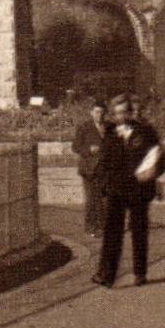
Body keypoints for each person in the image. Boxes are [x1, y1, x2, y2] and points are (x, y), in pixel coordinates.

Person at [92, 93, 164, 288]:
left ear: (131, 112)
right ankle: (107, 274)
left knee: (139, 231)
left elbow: (161, 157)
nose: (121, 117)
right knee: (112, 232)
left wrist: (153, 176)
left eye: (125, 112)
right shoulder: (110, 134)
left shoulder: (146, 132)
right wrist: (103, 185)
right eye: (117, 113)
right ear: (113, 115)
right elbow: (104, 162)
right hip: (116, 190)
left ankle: (140, 272)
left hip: (139, 189)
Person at [71, 100, 109, 237]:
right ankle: (90, 227)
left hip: (105, 169)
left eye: (102, 113)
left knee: (104, 199)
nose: (100, 115)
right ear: (91, 113)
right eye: (97, 112)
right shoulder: (84, 127)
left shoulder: (109, 127)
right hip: (89, 169)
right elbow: (75, 147)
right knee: (92, 199)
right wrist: (89, 149)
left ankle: (103, 226)